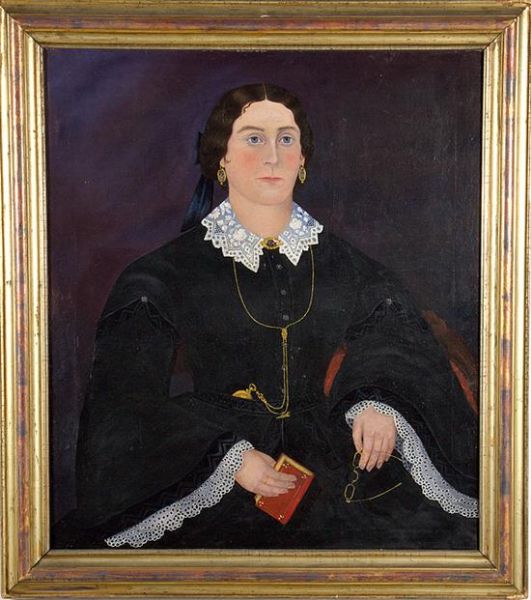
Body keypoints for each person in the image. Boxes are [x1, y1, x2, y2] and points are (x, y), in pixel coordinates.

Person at [60, 83, 478, 550]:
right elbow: (123, 401)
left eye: (286, 139)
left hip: (333, 461)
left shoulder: (343, 263)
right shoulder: (162, 273)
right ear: (221, 156)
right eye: (254, 138)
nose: (273, 156)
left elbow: (394, 333)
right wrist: (228, 460)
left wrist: (376, 401)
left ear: (303, 159)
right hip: (215, 465)